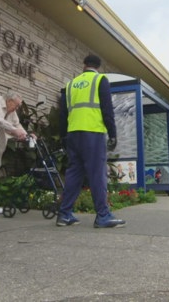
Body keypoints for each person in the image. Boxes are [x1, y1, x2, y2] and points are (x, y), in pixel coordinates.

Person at [57, 54, 125, 228]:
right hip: (92, 133)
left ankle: (64, 214)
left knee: (74, 173)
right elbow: (107, 109)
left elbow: (63, 113)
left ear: (84, 65)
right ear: (98, 67)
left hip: (73, 133)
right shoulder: (100, 80)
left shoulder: (70, 85)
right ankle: (103, 215)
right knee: (97, 174)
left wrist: (64, 136)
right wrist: (113, 133)